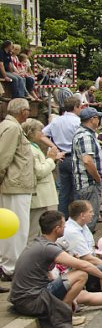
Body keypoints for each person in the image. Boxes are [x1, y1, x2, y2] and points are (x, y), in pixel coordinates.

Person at [10, 211, 102, 328]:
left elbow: (50, 275)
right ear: (57, 229)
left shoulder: (38, 243)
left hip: (22, 299)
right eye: (63, 225)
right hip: (32, 300)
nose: (65, 228)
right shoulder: (48, 248)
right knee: (82, 274)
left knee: (75, 274)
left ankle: (62, 308)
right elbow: (84, 265)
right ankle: (63, 313)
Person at [0, 98, 36, 281]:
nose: (29, 113)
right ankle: (11, 267)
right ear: (22, 111)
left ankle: (11, 265)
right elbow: (3, 157)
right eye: (28, 110)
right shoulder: (12, 128)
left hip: (15, 184)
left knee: (15, 228)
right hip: (14, 184)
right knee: (16, 228)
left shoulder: (10, 126)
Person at [42, 96, 83, 218]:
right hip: (75, 157)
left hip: (62, 157)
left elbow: (41, 134)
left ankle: (62, 218)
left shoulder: (56, 121)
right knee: (77, 190)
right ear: (75, 107)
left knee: (64, 191)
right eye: (80, 107)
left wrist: (55, 147)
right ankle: (75, 218)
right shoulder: (78, 122)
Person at [23, 118, 62, 242]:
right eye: (40, 130)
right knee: (34, 232)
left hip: (42, 197)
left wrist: (52, 159)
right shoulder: (30, 148)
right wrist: (51, 159)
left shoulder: (34, 146)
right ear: (32, 132)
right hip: (39, 196)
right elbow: (39, 172)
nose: (42, 133)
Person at [72, 107, 102, 234]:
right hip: (89, 183)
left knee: (88, 218)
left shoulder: (85, 134)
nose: (99, 121)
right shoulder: (85, 136)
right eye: (97, 118)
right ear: (93, 119)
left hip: (88, 183)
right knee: (89, 219)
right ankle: (86, 250)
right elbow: (87, 160)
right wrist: (97, 178)